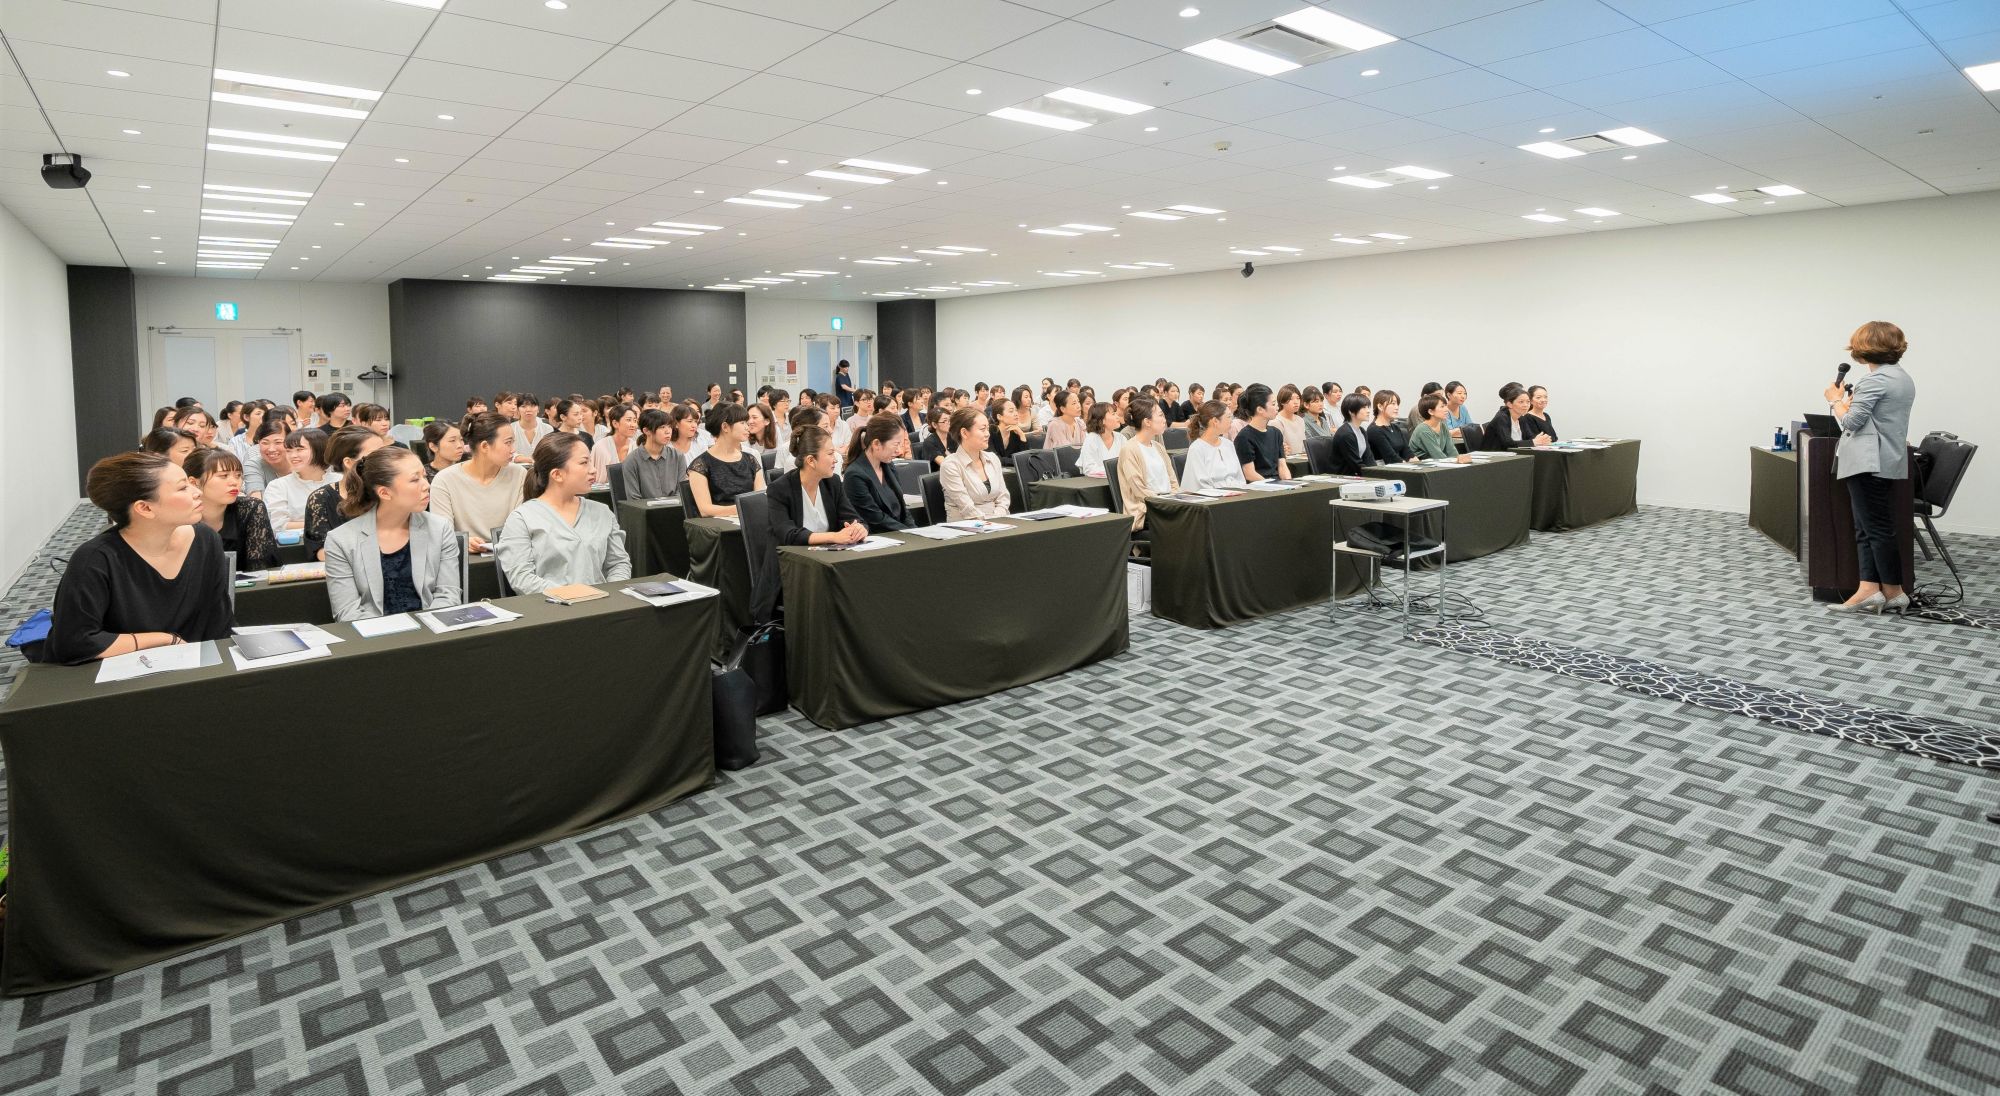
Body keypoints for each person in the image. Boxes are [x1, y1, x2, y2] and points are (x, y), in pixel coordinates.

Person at [48, 452, 233, 664]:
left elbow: (218, 620)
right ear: (144, 508)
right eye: (183, 488)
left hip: (192, 666)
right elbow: (74, 642)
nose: (197, 492)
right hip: (118, 674)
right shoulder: (95, 560)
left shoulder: (205, 539)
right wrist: (163, 639)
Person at [1827, 321, 1917, 613]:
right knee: (1867, 528)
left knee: (1876, 530)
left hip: (1869, 461)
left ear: (1864, 349)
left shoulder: (1875, 380)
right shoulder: (1901, 377)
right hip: (1883, 458)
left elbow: (1851, 422)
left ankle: (1895, 591)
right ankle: (1870, 589)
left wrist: (1836, 401)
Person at [324, 447, 464, 621]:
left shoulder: (439, 528)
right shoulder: (341, 540)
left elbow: (448, 595)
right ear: (384, 492)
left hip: (431, 632)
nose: (427, 485)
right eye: (415, 480)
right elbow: (347, 612)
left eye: (424, 476)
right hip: (374, 638)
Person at [497, 434, 632, 595]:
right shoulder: (522, 519)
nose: (593, 469)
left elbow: (618, 563)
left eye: (590, 461)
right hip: (551, 612)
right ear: (557, 474)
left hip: (602, 607)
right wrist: (574, 596)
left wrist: (611, 593)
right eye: (584, 463)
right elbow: (522, 578)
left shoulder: (602, 512)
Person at [429, 412, 525, 553]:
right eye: (508, 443)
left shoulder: (519, 474)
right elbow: (442, 533)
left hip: (510, 556)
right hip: (462, 561)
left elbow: (521, 528)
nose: (513, 449)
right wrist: (461, 541)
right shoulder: (444, 480)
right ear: (485, 446)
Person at [767, 424, 867, 546]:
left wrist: (859, 528)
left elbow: (853, 518)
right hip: (792, 560)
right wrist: (834, 537)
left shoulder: (833, 482)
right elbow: (787, 534)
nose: (835, 459)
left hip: (828, 556)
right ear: (810, 461)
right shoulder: (779, 489)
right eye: (830, 454)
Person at [188, 448, 279, 570]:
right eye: (224, 476)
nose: (234, 482)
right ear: (193, 482)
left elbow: (261, 568)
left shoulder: (251, 508)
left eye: (238, 475)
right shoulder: (180, 515)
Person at [304, 427, 387, 559]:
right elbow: (321, 552)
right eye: (375, 454)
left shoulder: (389, 492)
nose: (384, 459)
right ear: (348, 462)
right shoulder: (321, 498)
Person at [687, 403, 765, 518]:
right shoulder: (700, 465)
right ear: (725, 427)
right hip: (719, 529)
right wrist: (743, 508)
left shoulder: (751, 460)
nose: (747, 427)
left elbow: (759, 498)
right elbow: (705, 510)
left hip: (751, 522)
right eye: (742, 423)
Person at [1115, 397, 1179, 535]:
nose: (1164, 419)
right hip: (1147, 509)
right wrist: (1164, 502)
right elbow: (1139, 490)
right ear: (1147, 422)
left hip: (1167, 504)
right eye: (1160, 415)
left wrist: (1175, 498)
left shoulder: (1158, 447)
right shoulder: (1129, 449)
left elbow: (1173, 480)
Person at [843, 413, 914, 532]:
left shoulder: (888, 465)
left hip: (899, 533)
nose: (899, 451)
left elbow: (903, 508)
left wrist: (915, 531)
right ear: (876, 444)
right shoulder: (855, 475)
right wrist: (908, 533)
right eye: (896, 444)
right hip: (878, 538)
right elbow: (875, 519)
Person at [940, 408, 1010, 520]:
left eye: (988, 429)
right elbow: (967, 508)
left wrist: (998, 516)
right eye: (982, 429)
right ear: (964, 433)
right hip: (967, 528)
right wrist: (992, 522)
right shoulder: (951, 465)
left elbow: (1003, 497)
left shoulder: (992, 458)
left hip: (998, 522)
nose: (987, 434)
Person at [264, 427, 334, 532]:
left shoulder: (341, 480)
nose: (293, 456)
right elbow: (278, 525)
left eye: (299, 449)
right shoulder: (278, 486)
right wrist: (327, 523)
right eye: (288, 451)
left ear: (319, 449)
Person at [1181, 400, 1246, 491]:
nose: (1231, 421)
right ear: (1215, 421)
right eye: (1228, 417)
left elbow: (1240, 478)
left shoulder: (1228, 444)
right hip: (1213, 499)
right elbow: (1199, 485)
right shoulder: (1197, 448)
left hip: (1235, 494)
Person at [1233, 383, 1291, 483]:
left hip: (1277, 485)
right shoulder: (1244, 437)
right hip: (1259, 487)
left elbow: (1282, 465)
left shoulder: (1276, 433)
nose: (1277, 407)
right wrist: (1272, 486)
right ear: (1260, 409)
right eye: (1273, 404)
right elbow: (1249, 473)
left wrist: (1289, 484)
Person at [1484, 382, 1551, 450]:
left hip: (1517, 455)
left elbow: (1529, 438)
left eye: (1528, 402)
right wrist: (1533, 442)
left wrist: (1540, 440)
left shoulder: (1521, 418)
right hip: (1496, 456)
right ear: (1510, 404)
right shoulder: (1501, 417)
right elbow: (1507, 443)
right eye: (1521, 402)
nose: (1526, 405)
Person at [1410, 394, 1470, 464]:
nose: (1446, 409)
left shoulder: (1443, 426)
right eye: (1442, 406)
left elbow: (1451, 450)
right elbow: (1437, 455)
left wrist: (1459, 458)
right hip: (1421, 465)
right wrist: (1456, 460)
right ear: (1431, 412)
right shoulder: (1423, 429)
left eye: (1445, 406)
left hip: (1436, 463)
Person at [591, 402, 640, 485]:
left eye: (635, 421)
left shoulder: (636, 447)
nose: (633, 425)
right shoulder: (600, 446)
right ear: (615, 423)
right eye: (628, 420)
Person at [1330, 394, 1377, 475]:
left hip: (1356, 474)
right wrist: (1373, 475)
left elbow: (1369, 458)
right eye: (1364, 407)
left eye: (1368, 407)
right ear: (1351, 412)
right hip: (1344, 477)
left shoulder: (1362, 431)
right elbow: (1356, 464)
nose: (1368, 411)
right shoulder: (1346, 434)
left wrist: (1378, 472)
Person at [1077, 401, 1125, 476]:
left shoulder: (1121, 438)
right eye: (1113, 414)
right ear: (1102, 420)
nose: (1117, 417)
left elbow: (1127, 463)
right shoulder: (1091, 439)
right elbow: (1089, 469)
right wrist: (1115, 471)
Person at [1367, 390, 1412, 463]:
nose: (1397, 407)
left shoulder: (1395, 427)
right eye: (1393, 404)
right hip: (1384, 470)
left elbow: (1407, 452)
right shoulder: (1374, 430)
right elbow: (1391, 457)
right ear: (1380, 406)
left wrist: (1420, 465)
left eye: (1397, 404)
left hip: (1400, 466)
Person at [509, 394, 550, 460]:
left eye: (532, 406)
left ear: (538, 409)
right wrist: (526, 459)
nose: (528, 410)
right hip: (516, 467)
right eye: (523, 406)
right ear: (518, 410)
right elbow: (507, 451)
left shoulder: (548, 429)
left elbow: (550, 452)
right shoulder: (510, 428)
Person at [914, 405, 953, 470]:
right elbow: (944, 464)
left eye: (950, 420)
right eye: (945, 421)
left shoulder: (952, 437)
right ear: (934, 425)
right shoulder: (929, 442)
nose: (949, 423)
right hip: (938, 476)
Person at [1273, 384, 1308, 456]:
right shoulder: (1276, 421)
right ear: (1282, 402)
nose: (1296, 402)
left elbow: (1303, 446)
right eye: (1291, 399)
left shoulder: (1300, 420)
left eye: (1298, 398)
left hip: (1301, 461)